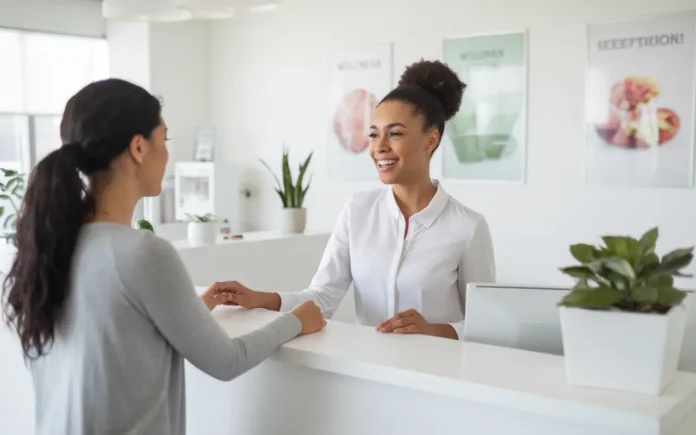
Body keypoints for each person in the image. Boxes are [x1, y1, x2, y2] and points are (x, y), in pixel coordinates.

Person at [1, 78, 325, 435]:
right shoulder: (142, 252)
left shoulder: (51, 245)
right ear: (139, 147)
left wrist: (190, 310)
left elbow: (118, 338)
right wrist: (297, 319)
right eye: (164, 139)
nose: (168, 154)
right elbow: (226, 361)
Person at [225, 60, 495, 340]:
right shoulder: (358, 210)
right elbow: (323, 298)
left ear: (431, 140)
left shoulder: (468, 227)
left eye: (396, 133)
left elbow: (489, 326)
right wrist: (259, 299)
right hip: (369, 371)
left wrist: (434, 330)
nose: (379, 147)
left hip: (437, 376)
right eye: (374, 134)